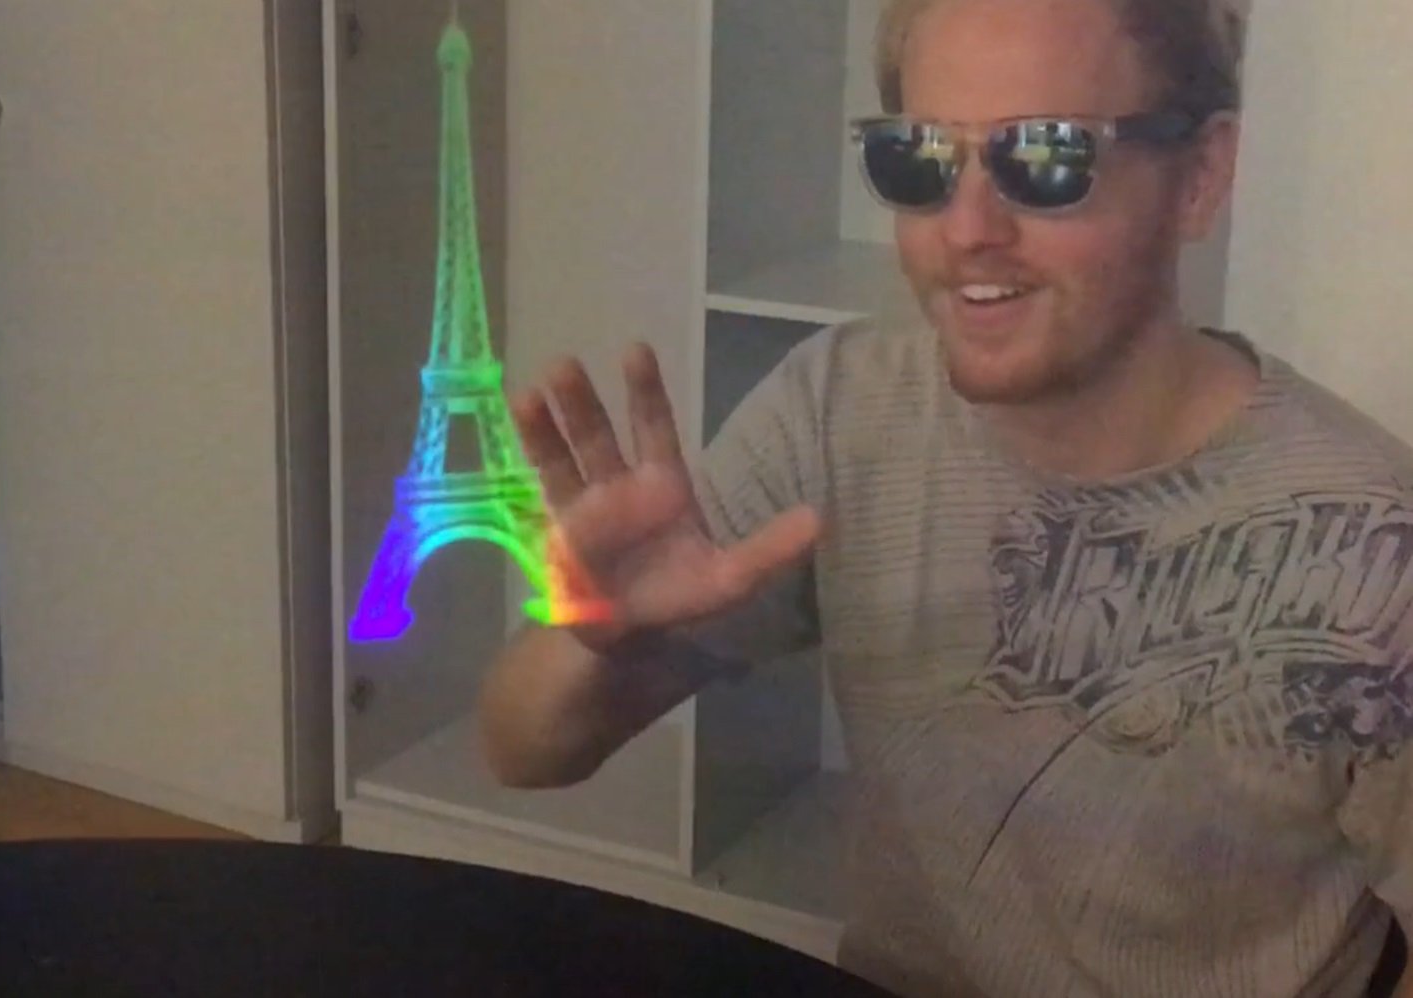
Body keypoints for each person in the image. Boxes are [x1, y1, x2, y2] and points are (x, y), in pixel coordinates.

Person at [477, 0, 1412, 995]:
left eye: (1046, 156)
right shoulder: (838, 408)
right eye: (919, 158)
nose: (966, 231)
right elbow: (521, 749)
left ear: (1200, 175)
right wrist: (592, 636)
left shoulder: (1371, 538)